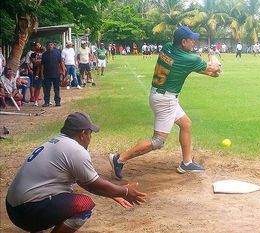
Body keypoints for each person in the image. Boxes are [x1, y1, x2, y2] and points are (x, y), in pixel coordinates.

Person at [109, 25, 221, 180]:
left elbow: (194, 68)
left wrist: (210, 71)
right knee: (158, 141)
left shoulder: (168, 47)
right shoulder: (189, 59)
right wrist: (214, 59)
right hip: (166, 100)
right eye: (191, 40)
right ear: (183, 42)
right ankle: (119, 159)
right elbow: (214, 68)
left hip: (161, 96)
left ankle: (187, 163)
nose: (194, 43)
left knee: (185, 124)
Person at [6, 112, 146, 233]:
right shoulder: (75, 150)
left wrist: (113, 193)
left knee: (64, 195)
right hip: (25, 212)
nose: (90, 138)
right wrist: (125, 192)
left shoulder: (56, 141)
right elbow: (93, 185)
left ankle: (36, 227)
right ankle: (35, 224)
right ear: (83, 134)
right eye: (90, 133)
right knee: (83, 205)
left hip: (14, 207)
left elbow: (84, 180)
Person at [40, 41, 64, 107]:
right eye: (48, 45)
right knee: (47, 89)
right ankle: (46, 102)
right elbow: (42, 65)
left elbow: (61, 62)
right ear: (46, 46)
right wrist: (41, 74)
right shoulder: (44, 54)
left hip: (56, 74)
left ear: (53, 46)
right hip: (47, 75)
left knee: (56, 89)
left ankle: (57, 102)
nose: (50, 46)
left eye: (51, 45)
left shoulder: (58, 53)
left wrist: (63, 71)